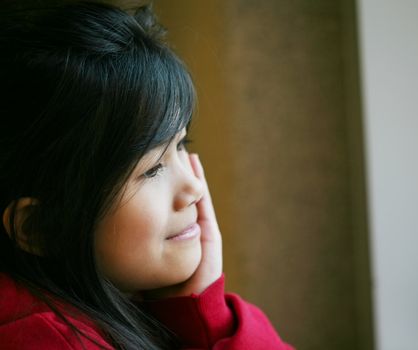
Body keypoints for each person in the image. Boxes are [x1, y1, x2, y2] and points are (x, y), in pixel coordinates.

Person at [0, 2, 293, 349]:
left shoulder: (115, 302)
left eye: (182, 144)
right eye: (153, 168)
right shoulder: (50, 340)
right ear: (42, 227)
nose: (195, 187)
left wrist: (202, 313)